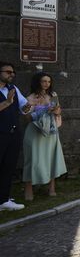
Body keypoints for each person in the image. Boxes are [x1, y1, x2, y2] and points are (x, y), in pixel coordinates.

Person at [23, 72, 67, 201]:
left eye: (48, 81)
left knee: (52, 157)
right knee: (32, 159)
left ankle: (52, 187)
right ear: (38, 82)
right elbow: (26, 118)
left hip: (51, 131)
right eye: (44, 81)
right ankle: (28, 188)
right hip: (35, 131)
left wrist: (56, 111)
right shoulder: (30, 98)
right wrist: (40, 110)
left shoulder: (53, 95)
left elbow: (58, 111)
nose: (46, 84)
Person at [0, 62, 31, 211]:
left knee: (8, 166)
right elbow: (7, 104)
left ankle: (4, 200)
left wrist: (28, 107)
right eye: (8, 72)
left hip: (13, 133)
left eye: (13, 72)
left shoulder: (13, 88)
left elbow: (24, 106)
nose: (11, 74)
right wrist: (7, 102)